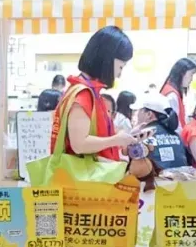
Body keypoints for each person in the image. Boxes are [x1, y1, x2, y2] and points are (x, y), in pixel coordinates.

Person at [48, 26, 138, 161]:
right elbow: (79, 145)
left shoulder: (87, 92)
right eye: (121, 66)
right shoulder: (83, 94)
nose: (119, 74)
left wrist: (125, 137)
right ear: (107, 60)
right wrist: (115, 140)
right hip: (87, 173)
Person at [133, 93, 188, 172]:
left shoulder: (144, 135)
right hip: (181, 177)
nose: (136, 114)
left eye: (139, 111)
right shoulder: (176, 135)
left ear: (149, 114)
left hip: (155, 178)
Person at [161, 58, 196, 126]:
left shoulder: (170, 90)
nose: (192, 79)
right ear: (182, 73)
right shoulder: (171, 94)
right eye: (191, 74)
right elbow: (175, 125)